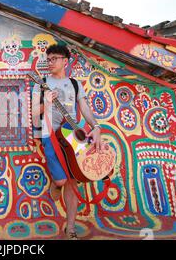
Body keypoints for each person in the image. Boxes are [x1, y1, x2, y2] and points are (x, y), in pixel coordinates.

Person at [32, 44, 103, 240]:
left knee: (72, 182)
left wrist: (96, 127)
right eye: (49, 59)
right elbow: (33, 113)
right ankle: (56, 183)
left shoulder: (74, 84)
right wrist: (45, 102)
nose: (50, 62)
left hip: (72, 135)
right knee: (62, 180)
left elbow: (85, 108)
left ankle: (70, 228)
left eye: (54, 58)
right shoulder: (42, 83)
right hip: (49, 135)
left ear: (65, 61)